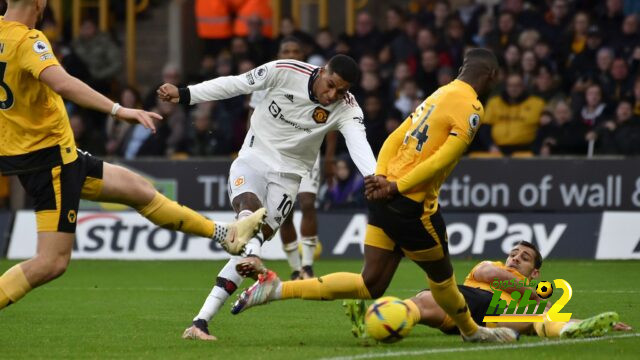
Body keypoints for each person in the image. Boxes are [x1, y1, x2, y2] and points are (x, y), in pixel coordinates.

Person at [231, 48, 519, 343]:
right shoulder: (472, 107)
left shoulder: (440, 93)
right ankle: (473, 332)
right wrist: (396, 187)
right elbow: (442, 159)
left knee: (371, 284)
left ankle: (276, 289)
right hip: (412, 205)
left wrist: (379, 177)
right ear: (492, 76)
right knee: (443, 279)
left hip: (384, 196)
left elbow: (397, 135)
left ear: (461, 69)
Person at [0, 0, 266, 313]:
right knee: (51, 261)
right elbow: (62, 82)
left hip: (54, 155)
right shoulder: (29, 40)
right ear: (39, 2)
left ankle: (227, 235)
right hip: (50, 161)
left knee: (138, 190)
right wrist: (118, 109)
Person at [157, 54, 377, 340]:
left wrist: (373, 177)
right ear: (322, 71)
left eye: (341, 90)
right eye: (331, 85)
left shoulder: (347, 108)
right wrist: (186, 94)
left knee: (251, 238)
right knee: (249, 215)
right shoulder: (284, 70)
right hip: (254, 158)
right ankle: (256, 257)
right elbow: (235, 84)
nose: (332, 95)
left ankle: (200, 322)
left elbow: (358, 142)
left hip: (289, 177)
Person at [345, 241, 633, 339]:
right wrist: (530, 294)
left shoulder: (527, 296)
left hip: (495, 318)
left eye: (524, 257)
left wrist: (588, 321)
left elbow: (548, 311)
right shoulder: (492, 266)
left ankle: (576, 330)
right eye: (514, 253)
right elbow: (488, 274)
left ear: (535, 273)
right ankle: (371, 323)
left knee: (537, 319)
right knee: (421, 303)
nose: (515, 257)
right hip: (468, 301)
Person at [247, 36, 336, 281]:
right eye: (286, 49)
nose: (291, 53)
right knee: (282, 212)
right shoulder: (267, 78)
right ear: (278, 54)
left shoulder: (319, 82)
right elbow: (253, 116)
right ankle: (296, 269)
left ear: (303, 54)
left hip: (307, 154)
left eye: (296, 50)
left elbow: (330, 124)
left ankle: (308, 266)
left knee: (307, 202)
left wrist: (329, 158)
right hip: (272, 153)